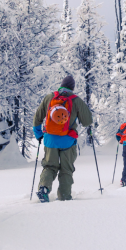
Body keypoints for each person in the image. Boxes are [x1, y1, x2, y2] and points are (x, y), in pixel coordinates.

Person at [32, 74, 93, 202]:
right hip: (67, 141)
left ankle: (43, 188)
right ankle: (64, 197)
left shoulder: (49, 98)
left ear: (61, 85)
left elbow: (37, 118)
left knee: (49, 166)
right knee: (66, 169)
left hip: (50, 140)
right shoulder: (76, 101)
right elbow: (87, 121)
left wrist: (38, 135)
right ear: (73, 87)